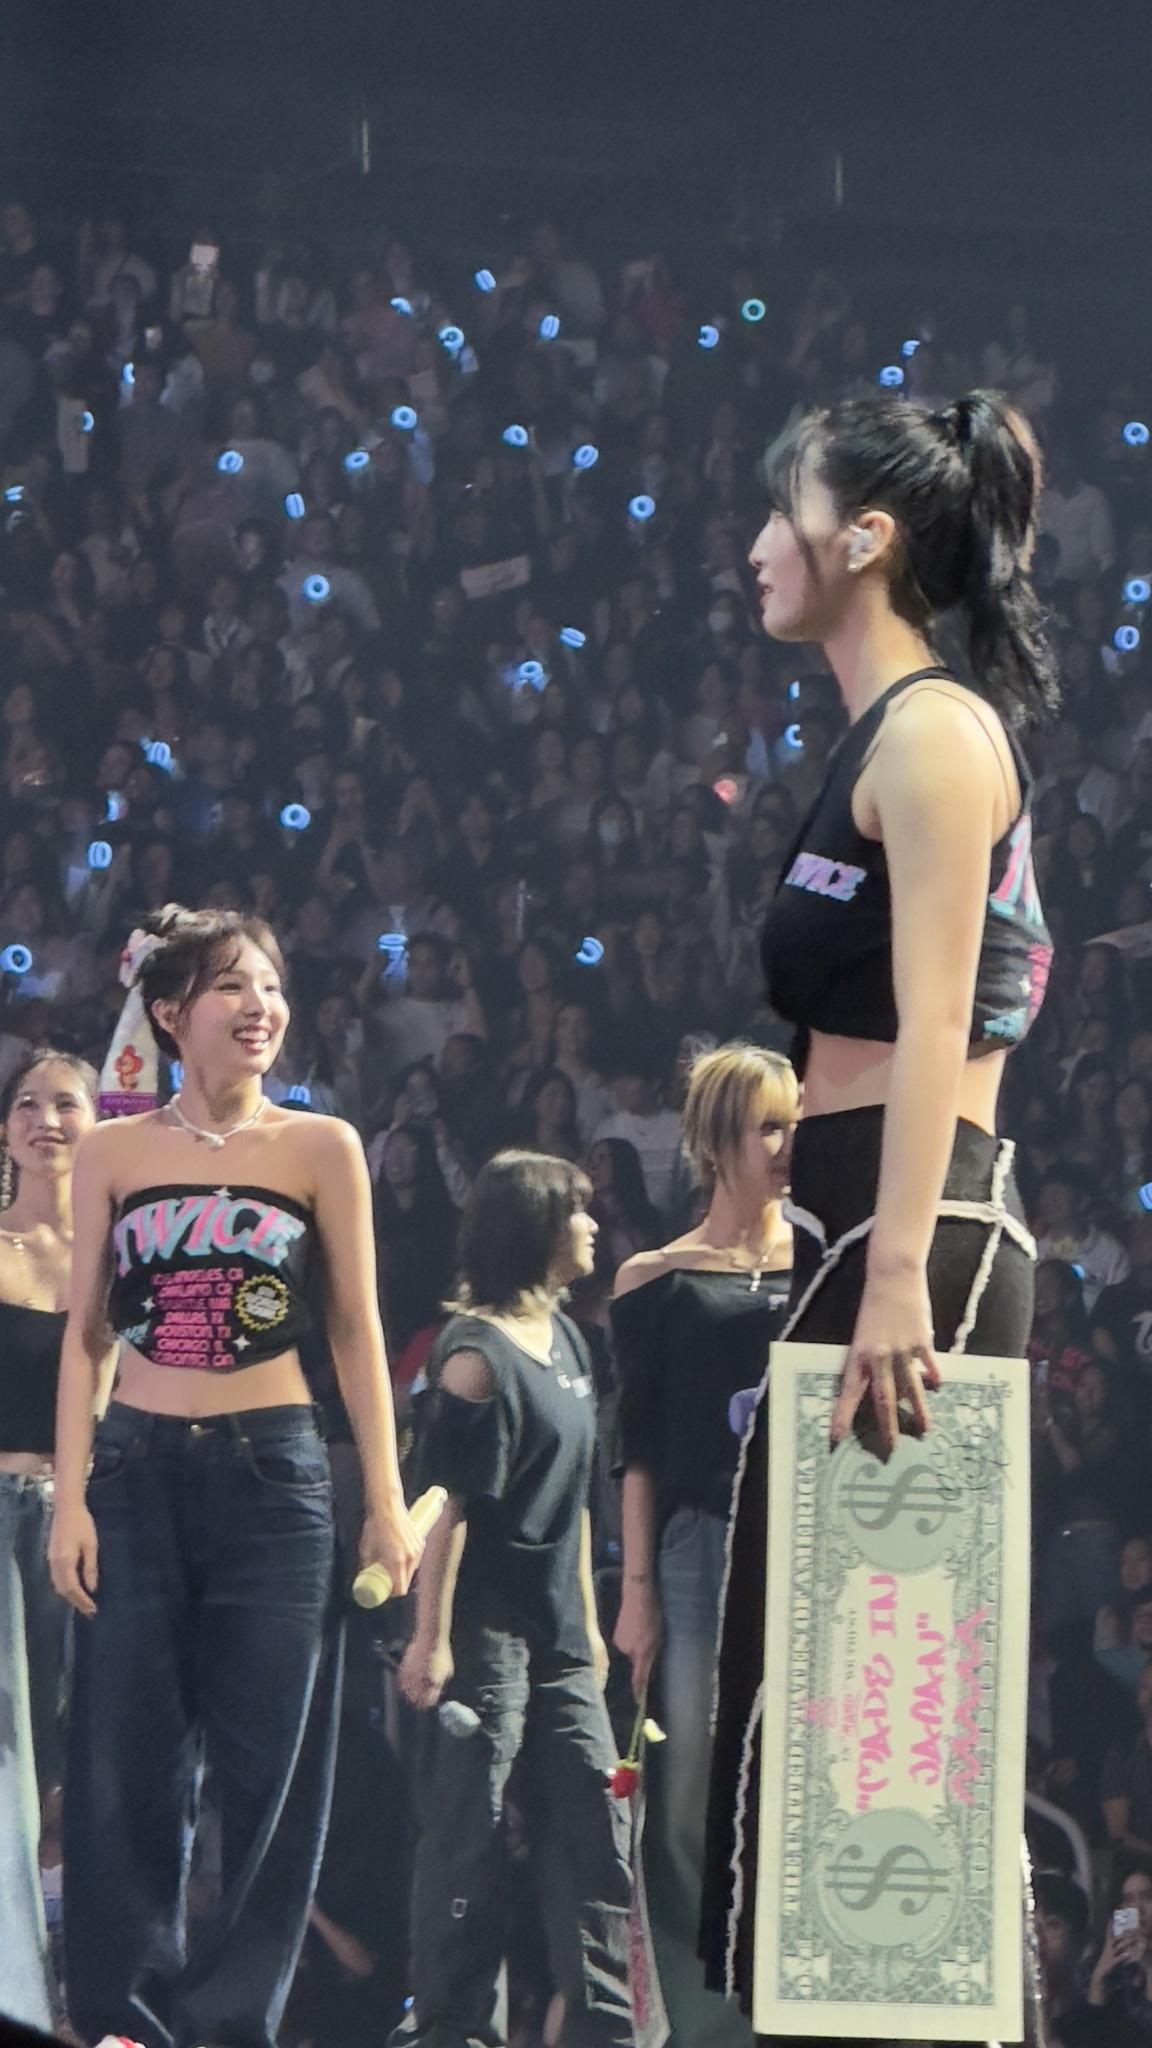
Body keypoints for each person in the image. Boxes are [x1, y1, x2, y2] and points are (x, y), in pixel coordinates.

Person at [703, 389, 1058, 2042]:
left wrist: (900, 1270)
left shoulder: (932, 735)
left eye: (779, 513)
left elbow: (936, 1021)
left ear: (863, 539)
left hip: (918, 1241)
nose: (752, 548)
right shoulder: (878, 736)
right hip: (860, 1231)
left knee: (887, 1718)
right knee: (837, 1696)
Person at [48, 906, 422, 2048]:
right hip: (135, 1473)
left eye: (270, 985)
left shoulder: (322, 1145)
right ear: (170, 1014)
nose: (261, 1006)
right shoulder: (113, 1152)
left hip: (277, 1479)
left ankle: (229, 2022)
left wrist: (386, 1500)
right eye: (231, 986)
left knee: (273, 1770)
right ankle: (123, 2017)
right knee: (128, 1759)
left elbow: (356, 1329)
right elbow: (85, 1339)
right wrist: (71, 1497)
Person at [392, 1151, 633, 2048]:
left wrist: (591, 1632)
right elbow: (446, 1511)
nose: (593, 1225)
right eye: (578, 1211)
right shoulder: (475, 1361)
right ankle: (451, 2029)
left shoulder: (569, 1337)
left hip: (559, 1631)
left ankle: (606, 2026)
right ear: (535, 1227)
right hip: (484, 1635)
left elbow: (575, 1503)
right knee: (474, 1839)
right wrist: (431, 1639)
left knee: (596, 1825)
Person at [613, 1044, 798, 2048]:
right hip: (696, 1549)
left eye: (793, 1124)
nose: (786, 1145)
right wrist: (636, 1588)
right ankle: (709, 2024)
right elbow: (636, 1446)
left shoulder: (832, 1269)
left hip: (809, 1546)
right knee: (686, 1790)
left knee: (795, 1778)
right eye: (767, 1126)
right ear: (715, 1141)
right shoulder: (655, 1278)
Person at [0, 1047, 98, 2031]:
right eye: (25, 1103)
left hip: (89, 1518)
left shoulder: (116, 1258)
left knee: (72, 1752)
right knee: (5, 1757)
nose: (45, 1119)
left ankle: (61, 1988)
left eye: (65, 1102)